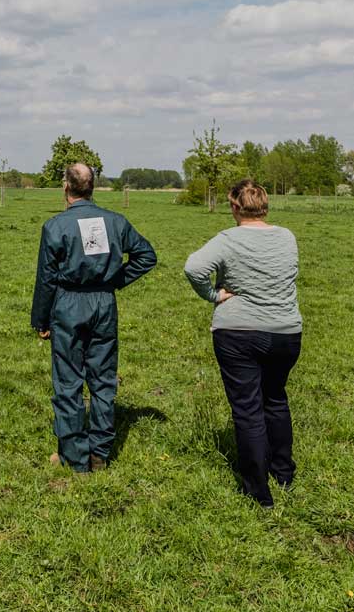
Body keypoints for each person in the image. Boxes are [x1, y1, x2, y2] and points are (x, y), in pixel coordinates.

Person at [31, 163, 158, 473]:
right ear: (92, 188)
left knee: (68, 380)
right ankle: (99, 452)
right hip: (103, 305)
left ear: (66, 188)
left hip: (68, 304)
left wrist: (41, 320)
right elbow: (147, 256)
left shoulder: (55, 226)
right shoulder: (115, 221)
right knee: (102, 379)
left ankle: (74, 455)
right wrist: (113, 281)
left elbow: (46, 279)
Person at [183, 179, 302, 508]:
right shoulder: (287, 237)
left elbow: (193, 267)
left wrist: (213, 294)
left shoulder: (227, 240)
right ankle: (284, 474)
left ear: (235, 206)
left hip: (238, 333)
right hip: (286, 332)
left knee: (247, 411)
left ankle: (257, 491)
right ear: (265, 205)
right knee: (275, 400)